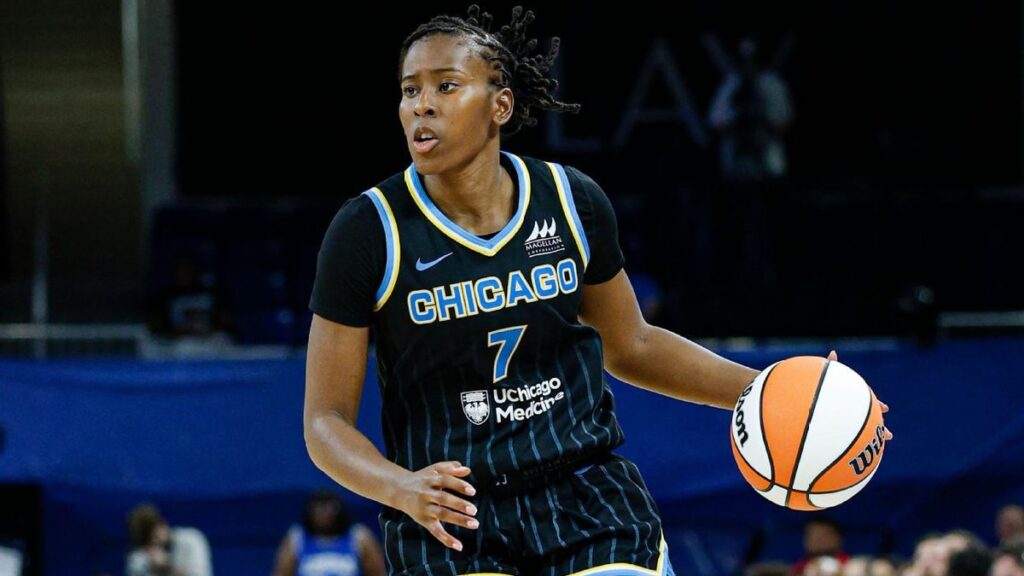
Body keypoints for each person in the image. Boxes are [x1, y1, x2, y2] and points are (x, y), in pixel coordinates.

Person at [303, 5, 892, 575]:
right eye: (410, 91)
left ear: (500, 105)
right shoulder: (368, 231)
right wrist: (398, 486)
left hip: (583, 490)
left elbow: (630, 345)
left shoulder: (570, 200)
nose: (421, 106)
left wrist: (781, 392)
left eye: (446, 86)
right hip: (448, 512)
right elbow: (325, 420)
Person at [272, 490, 386, 576]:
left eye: (329, 507)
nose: (323, 513)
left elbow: (378, 573)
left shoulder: (359, 536)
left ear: (339, 509)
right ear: (309, 511)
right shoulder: (297, 537)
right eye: (318, 508)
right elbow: (281, 573)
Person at [126, 503, 212, 576]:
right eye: (147, 545)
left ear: (163, 525)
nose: (153, 546)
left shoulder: (191, 540)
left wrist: (167, 567)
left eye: (154, 538)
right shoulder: (138, 558)